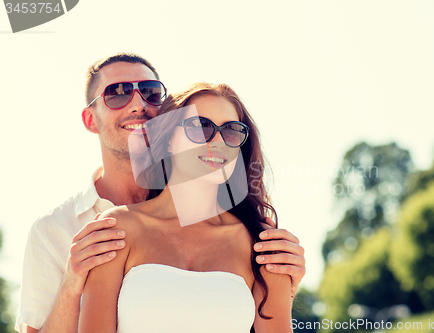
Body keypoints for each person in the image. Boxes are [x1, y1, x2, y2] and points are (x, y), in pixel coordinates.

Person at [16, 53, 305, 333]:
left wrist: (286, 288)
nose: (138, 105)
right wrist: (71, 282)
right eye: (117, 93)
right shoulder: (98, 228)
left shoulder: (261, 241)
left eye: (230, 131)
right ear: (166, 139)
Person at [79, 82, 292, 332]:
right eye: (201, 126)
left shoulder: (261, 242)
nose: (218, 141)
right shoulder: (117, 229)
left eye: (232, 131)